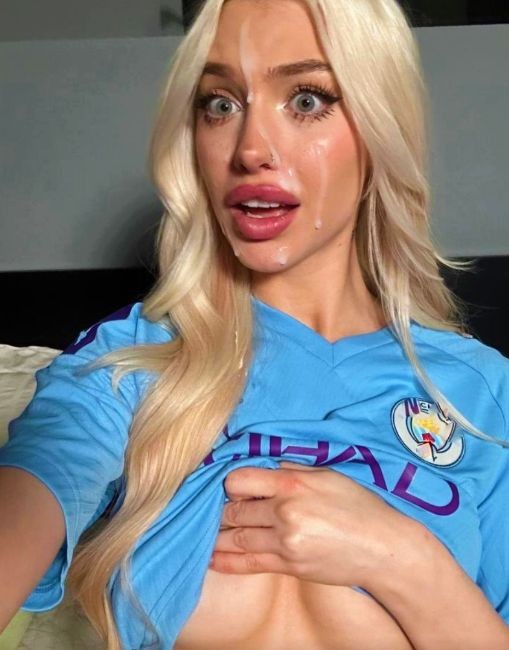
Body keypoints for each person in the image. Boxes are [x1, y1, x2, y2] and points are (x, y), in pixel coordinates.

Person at [1, 0, 509, 648]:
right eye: (220, 104)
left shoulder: (479, 393)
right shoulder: (133, 359)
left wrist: (400, 557)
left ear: (379, 127)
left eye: (306, 99)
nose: (250, 149)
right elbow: (35, 488)